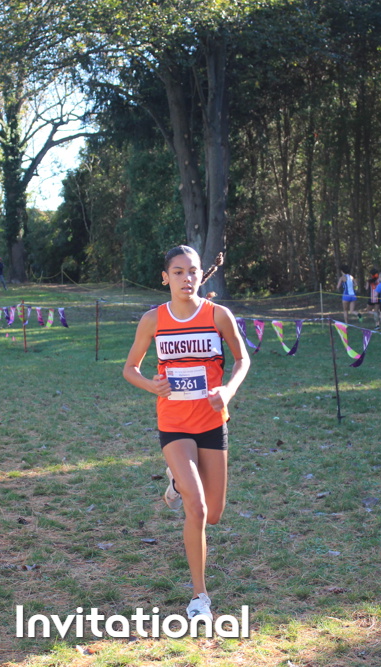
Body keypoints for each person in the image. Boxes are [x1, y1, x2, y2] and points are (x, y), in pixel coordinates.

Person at [123, 246, 250, 621]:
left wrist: (228, 390)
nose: (186, 278)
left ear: (200, 274)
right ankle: (199, 597)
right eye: (177, 272)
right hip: (174, 423)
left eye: (192, 271)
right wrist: (151, 385)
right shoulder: (153, 320)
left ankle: (177, 482)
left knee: (215, 514)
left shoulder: (218, 315)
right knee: (197, 508)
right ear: (166, 277)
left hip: (211, 421)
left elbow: (242, 359)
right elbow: (130, 368)